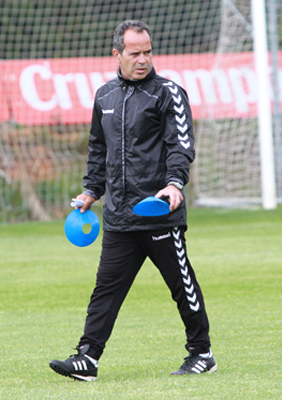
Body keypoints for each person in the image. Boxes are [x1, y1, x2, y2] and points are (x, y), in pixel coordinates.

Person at [49, 20, 216, 381]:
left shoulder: (169, 93)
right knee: (105, 288)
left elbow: (180, 145)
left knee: (180, 285)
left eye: (148, 52)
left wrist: (174, 184)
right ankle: (87, 357)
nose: (143, 59)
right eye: (135, 53)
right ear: (117, 54)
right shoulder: (104, 96)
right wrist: (91, 191)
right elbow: (98, 149)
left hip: (159, 213)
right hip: (119, 217)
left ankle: (202, 353)